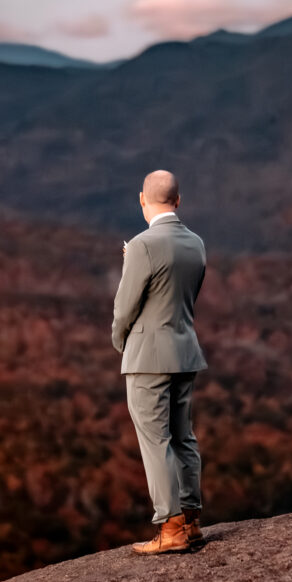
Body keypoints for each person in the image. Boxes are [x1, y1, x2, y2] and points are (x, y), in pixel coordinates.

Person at [111, 169, 207, 554]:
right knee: (183, 436)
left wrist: (121, 342)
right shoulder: (197, 243)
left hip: (148, 356)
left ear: (141, 200)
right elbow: (178, 296)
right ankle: (192, 520)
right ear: (178, 201)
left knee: (156, 441)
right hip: (185, 352)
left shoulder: (141, 245)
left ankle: (170, 529)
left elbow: (125, 307)